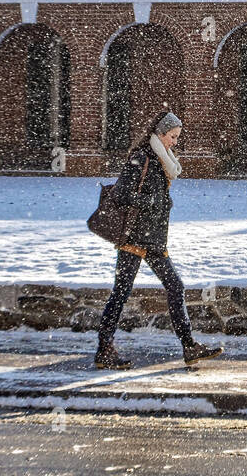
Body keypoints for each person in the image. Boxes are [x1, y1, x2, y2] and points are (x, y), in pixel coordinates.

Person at [95, 110, 222, 369]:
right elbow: (121, 195)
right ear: (161, 134)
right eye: (173, 137)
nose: (175, 142)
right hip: (133, 239)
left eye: (177, 137)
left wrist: (162, 202)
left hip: (153, 239)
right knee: (121, 292)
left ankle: (189, 347)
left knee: (175, 286)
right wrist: (154, 202)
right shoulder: (141, 158)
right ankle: (104, 350)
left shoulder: (162, 160)